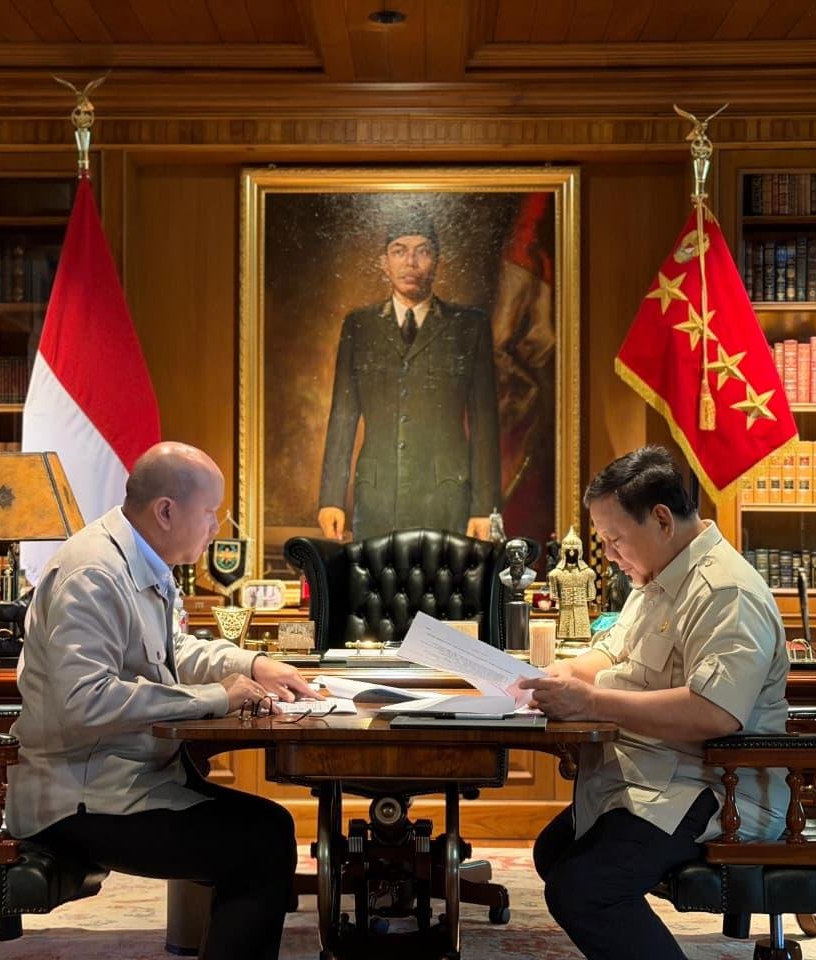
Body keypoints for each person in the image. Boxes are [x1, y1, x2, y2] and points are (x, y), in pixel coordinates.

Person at [6, 441, 316, 960]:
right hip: (78, 797)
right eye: (210, 512)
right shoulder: (93, 574)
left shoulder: (141, 560)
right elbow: (83, 700)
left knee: (269, 829)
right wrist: (216, 698)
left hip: (127, 779)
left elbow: (175, 650)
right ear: (166, 511)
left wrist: (253, 664)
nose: (215, 527)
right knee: (260, 844)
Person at [518, 445, 789, 960]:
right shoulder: (658, 577)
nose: (609, 554)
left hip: (716, 787)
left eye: (615, 539)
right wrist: (564, 674)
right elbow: (613, 651)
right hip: (660, 770)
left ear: (662, 520)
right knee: (555, 852)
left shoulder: (725, 591)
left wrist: (592, 702)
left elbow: (714, 712)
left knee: (583, 888)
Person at [317, 208, 501, 542]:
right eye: (399, 251)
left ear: (438, 261)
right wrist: (331, 499)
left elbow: (484, 422)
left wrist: (485, 508)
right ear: (384, 262)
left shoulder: (469, 326)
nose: (411, 263)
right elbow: (343, 416)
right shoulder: (359, 326)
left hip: (446, 499)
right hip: (376, 499)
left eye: (422, 251)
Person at [547, 526, 595, 644]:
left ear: (579, 552)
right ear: (563, 552)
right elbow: (554, 596)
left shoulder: (588, 574)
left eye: (574, 551)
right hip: (565, 612)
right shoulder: (555, 575)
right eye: (568, 551)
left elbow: (591, 596)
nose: (572, 553)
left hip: (581, 612)